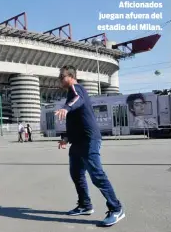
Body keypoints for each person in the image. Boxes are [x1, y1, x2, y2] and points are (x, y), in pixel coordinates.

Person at [54, 65, 125, 227]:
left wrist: (66, 107)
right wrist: (66, 138)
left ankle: (116, 208)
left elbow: (77, 101)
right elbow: (75, 120)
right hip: (77, 142)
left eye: (61, 77)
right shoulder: (70, 93)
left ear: (70, 76)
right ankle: (85, 205)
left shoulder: (76, 88)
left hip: (89, 140)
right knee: (76, 174)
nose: (59, 80)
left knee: (97, 175)